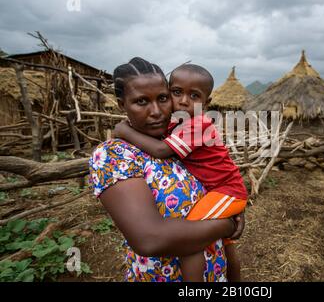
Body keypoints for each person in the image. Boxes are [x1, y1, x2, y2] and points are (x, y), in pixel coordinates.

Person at [89, 57, 244, 282]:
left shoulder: (176, 138)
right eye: (141, 101)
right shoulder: (114, 154)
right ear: (122, 104)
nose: (156, 111)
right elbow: (149, 239)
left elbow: (214, 177)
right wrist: (227, 225)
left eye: (162, 98)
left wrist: (234, 209)